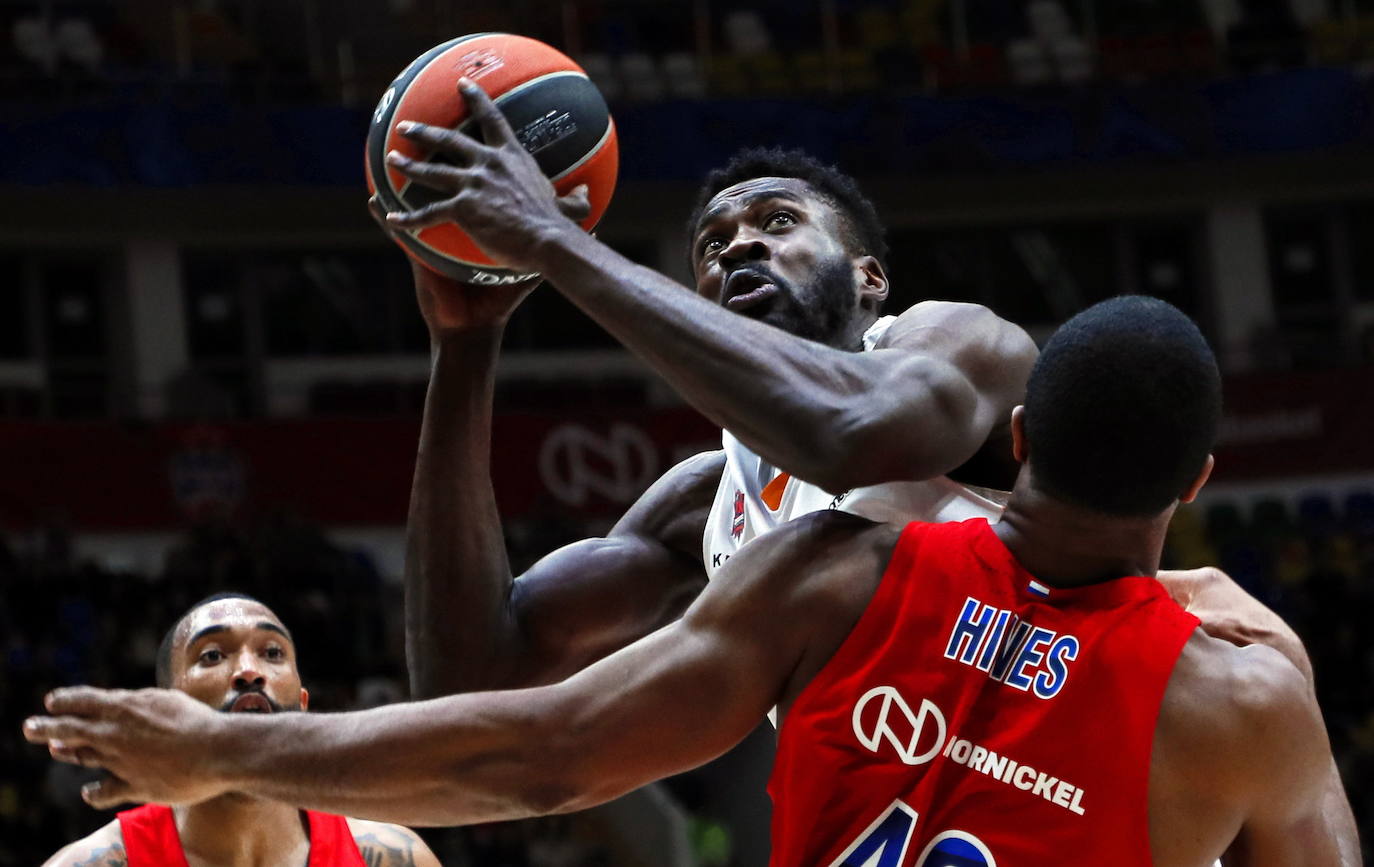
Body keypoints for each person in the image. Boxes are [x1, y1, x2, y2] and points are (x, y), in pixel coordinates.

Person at [23, 298, 1359, 864]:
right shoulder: (1245, 696)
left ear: (1015, 435)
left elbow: (538, 754)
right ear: (1197, 476)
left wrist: (219, 749)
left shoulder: (844, 566)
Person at [378, 81, 1309, 705]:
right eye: (712, 246)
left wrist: (555, 243)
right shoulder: (704, 504)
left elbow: (853, 432)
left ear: (869, 277)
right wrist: (465, 346)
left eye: (778, 221)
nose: (739, 246)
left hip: (1091, 791)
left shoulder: (956, 342)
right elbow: (473, 673)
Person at [37, 593, 439, 867]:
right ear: (165, 711)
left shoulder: (393, 858)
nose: (249, 671)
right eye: (212, 655)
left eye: (272, 653)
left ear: (303, 703)